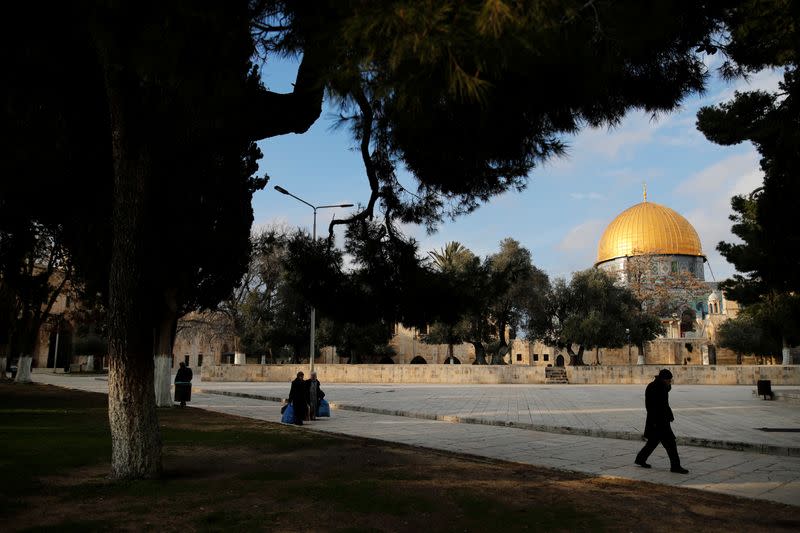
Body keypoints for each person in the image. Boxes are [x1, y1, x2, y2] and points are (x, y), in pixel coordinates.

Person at [635, 369, 689, 474]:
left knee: (652, 443)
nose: (670, 383)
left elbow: (663, 403)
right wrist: (659, 420)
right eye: (669, 381)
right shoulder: (657, 388)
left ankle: (640, 459)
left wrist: (669, 416)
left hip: (658, 421)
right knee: (671, 444)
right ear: (664, 379)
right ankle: (675, 466)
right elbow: (656, 406)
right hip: (659, 422)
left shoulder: (657, 386)